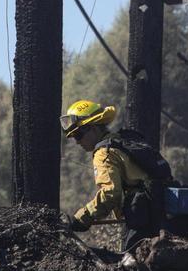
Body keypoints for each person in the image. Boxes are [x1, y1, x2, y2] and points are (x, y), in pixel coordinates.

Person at [61, 99, 164, 252]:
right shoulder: (123, 141)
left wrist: (81, 218)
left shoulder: (104, 152)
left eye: (78, 135)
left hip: (144, 223)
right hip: (163, 216)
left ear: (93, 129)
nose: (77, 142)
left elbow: (110, 194)